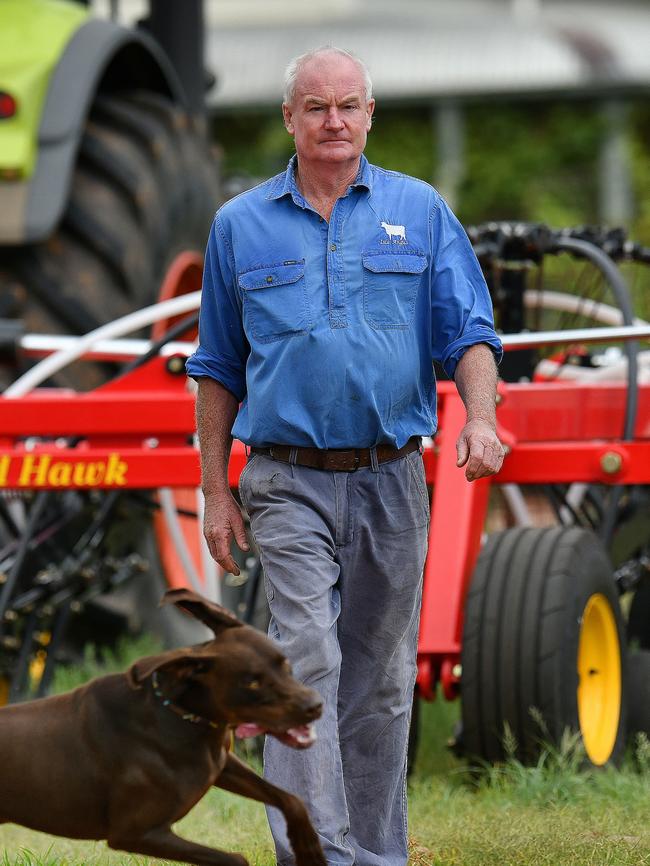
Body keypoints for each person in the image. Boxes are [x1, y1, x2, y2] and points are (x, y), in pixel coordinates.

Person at [186, 46, 504, 866]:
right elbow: (217, 368)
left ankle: (375, 853)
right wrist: (216, 492)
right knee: (305, 659)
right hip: (285, 479)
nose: (335, 121)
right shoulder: (240, 225)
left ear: (370, 116)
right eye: (317, 107)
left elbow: (467, 331)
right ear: (289, 118)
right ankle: (314, 851)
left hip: (394, 478)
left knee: (382, 681)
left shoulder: (420, 210)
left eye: (349, 106)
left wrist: (478, 417)